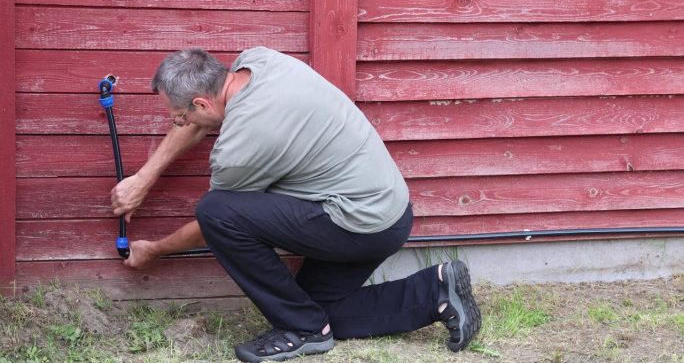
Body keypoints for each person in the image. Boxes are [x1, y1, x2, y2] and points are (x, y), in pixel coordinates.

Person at [111, 46, 481, 363]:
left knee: (215, 212)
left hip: (358, 225)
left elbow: (215, 224)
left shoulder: (244, 143)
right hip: (389, 211)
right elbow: (200, 120)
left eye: (180, 117)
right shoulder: (261, 61)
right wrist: (145, 177)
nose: (179, 124)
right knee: (318, 309)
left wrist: (155, 250)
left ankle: (302, 331)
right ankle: (435, 290)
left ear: (201, 103)